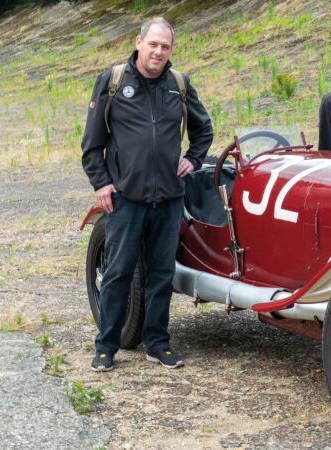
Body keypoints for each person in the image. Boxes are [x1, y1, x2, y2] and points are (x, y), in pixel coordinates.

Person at [81, 17, 213, 371]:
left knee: (160, 275)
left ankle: (157, 342)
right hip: (125, 198)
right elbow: (91, 144)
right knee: (118, 272)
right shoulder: (113, 82)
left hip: (169, 199)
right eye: (153, 44)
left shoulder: (179, 85)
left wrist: (193, 159)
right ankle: (107, 346)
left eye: (165, 46)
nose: (158, 51)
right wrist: (101, 183)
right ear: (139, 42)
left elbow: (204, 130)